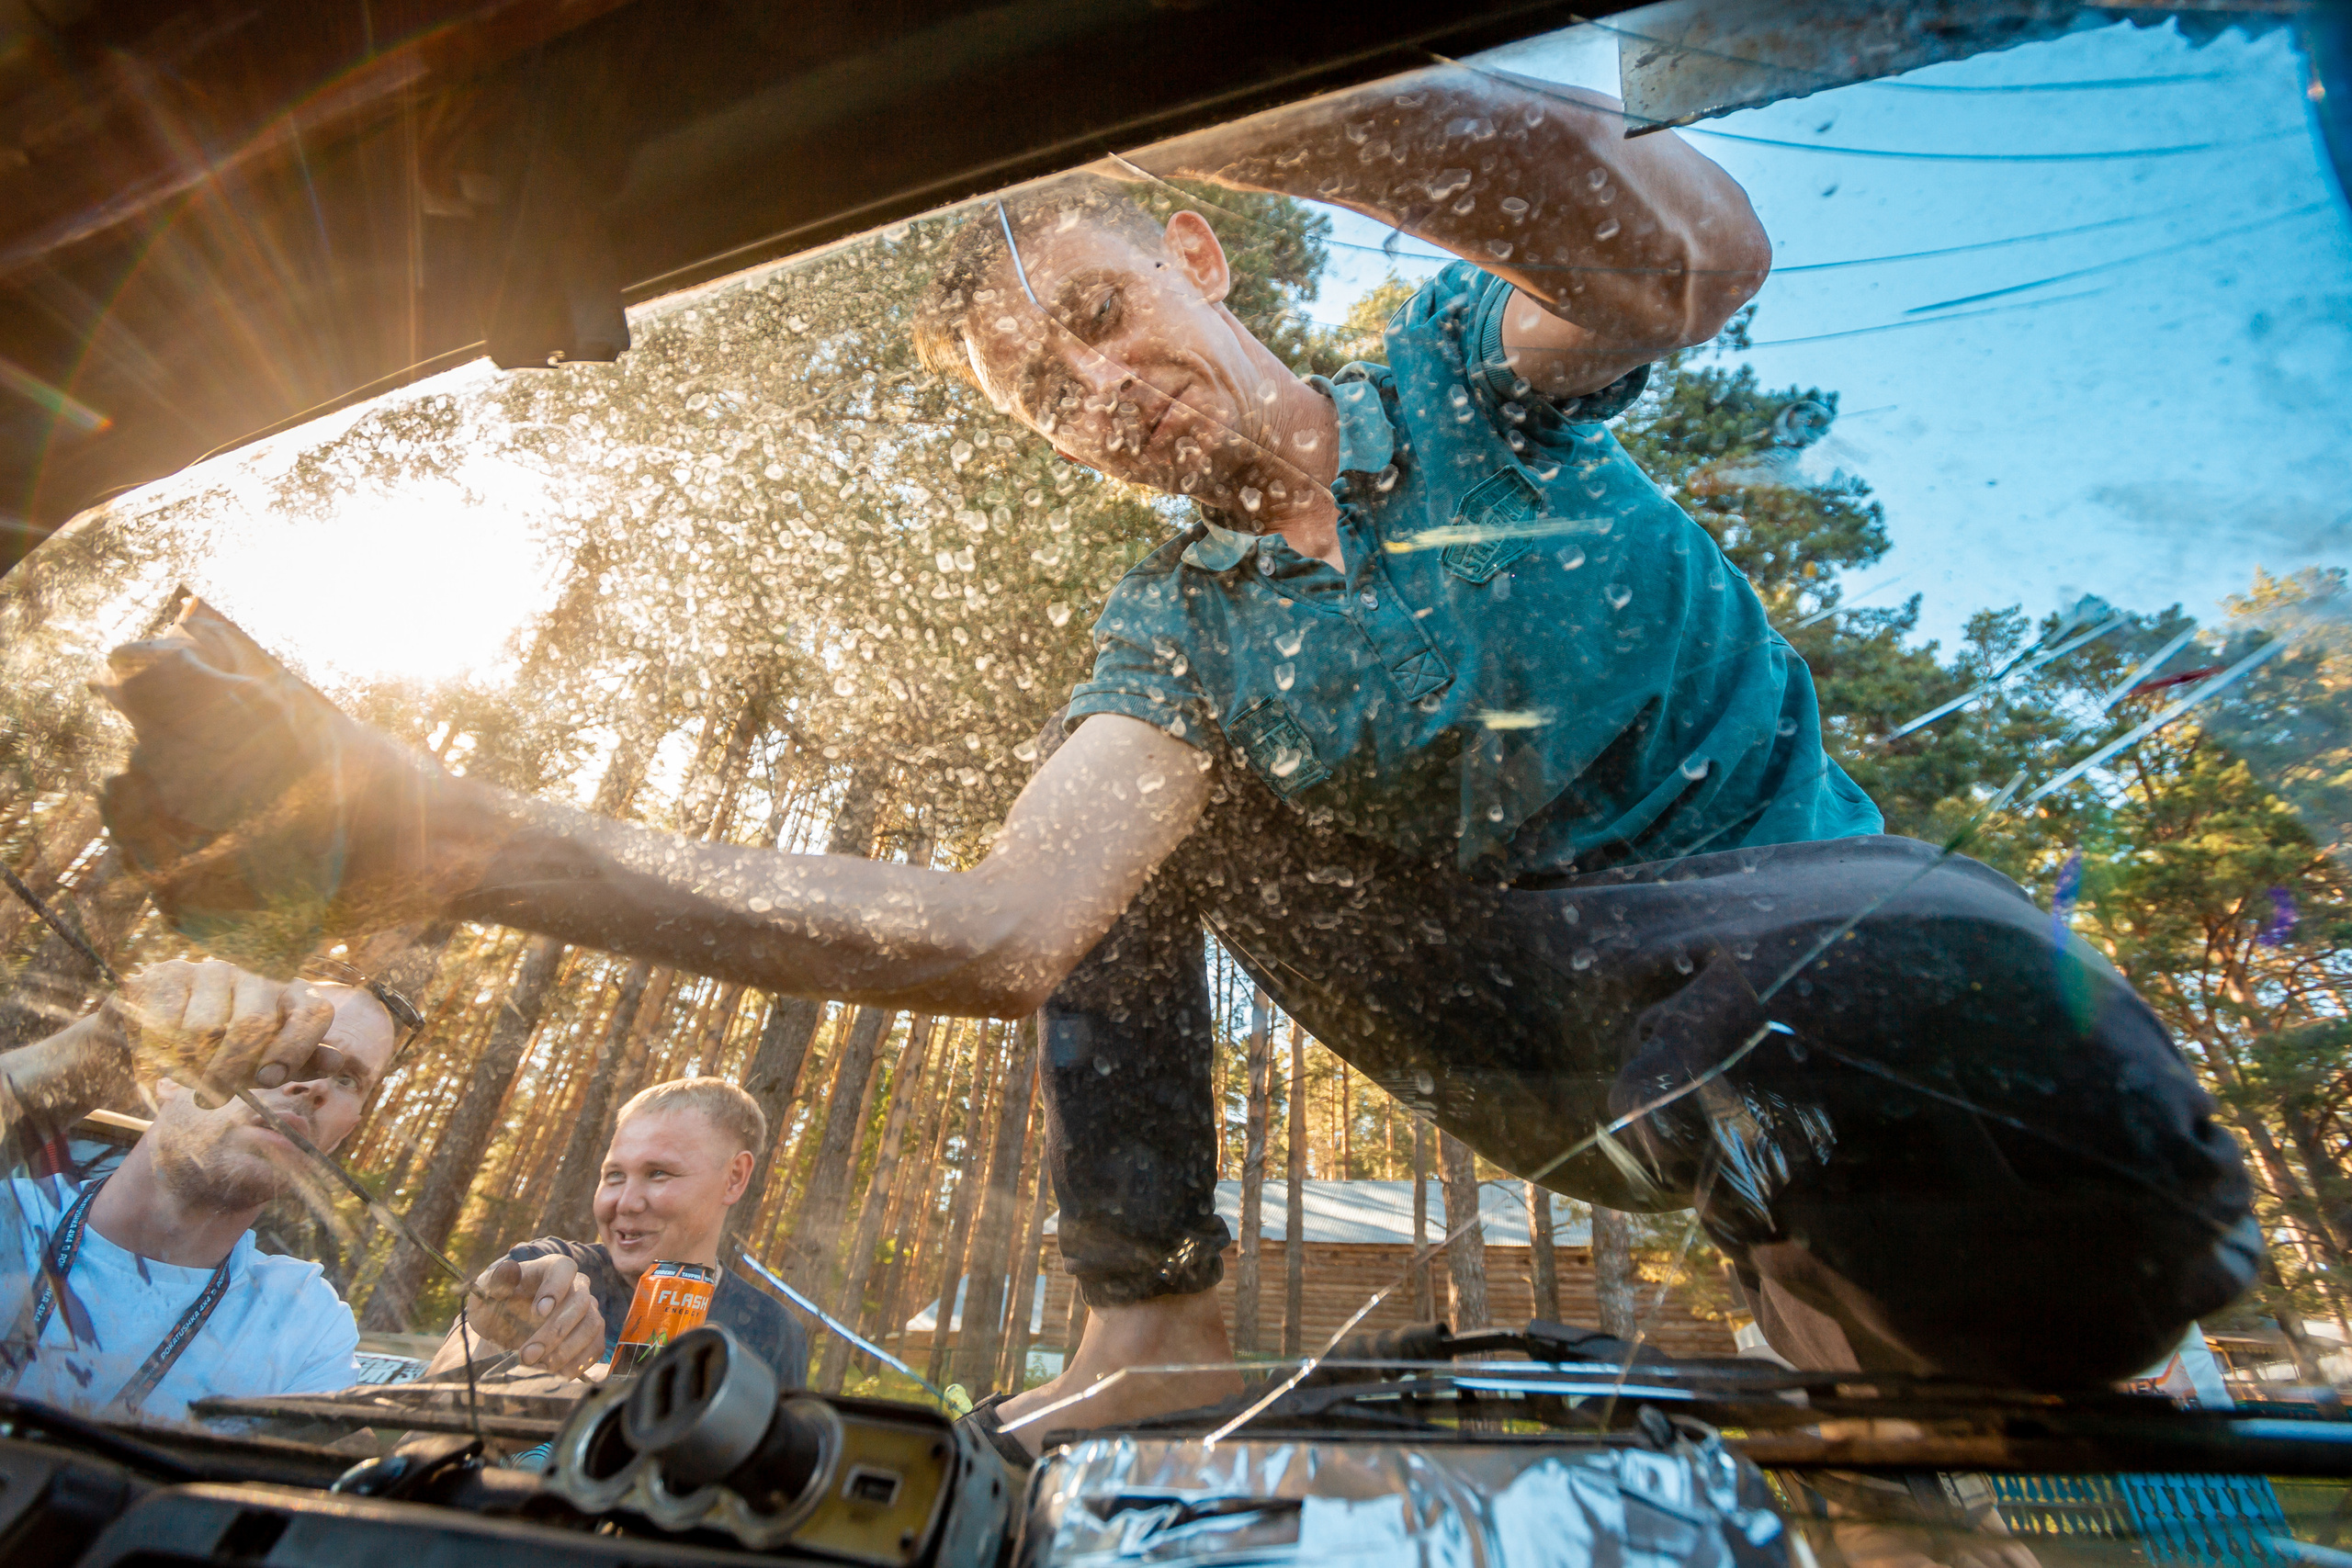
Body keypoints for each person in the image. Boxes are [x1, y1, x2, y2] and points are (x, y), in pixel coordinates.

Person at [90, 63, 2254, 1449]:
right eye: (1039, 386)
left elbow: (1686, 257)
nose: (1092, 385)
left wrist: (1207, 67)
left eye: (1102, 315)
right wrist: (456, 833)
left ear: (1197, 252)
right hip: (1587, 1057)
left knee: (1984, 1200)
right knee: (1147, 857)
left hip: (1880, 994)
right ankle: (1160, 1325)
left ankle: (1991, 1354)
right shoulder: (1181, 641)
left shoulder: (1459, 384)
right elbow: (1005, 925)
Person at [1, 957, 395, 1426]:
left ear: (344, 1132)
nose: (313, 1084)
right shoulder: (13, 1221)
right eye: (282, 1042)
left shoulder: (307, 1327)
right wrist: (103, 1046)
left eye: (348, 1079)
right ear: (168, 1073)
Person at [427, 1077, 805, 1387]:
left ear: (734, 1178)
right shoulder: (546, 1272)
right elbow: (425, 1417)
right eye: (614, 1176)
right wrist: (490, 1332)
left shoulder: (772, 1332)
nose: (625, 1203)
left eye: (659, 1173)